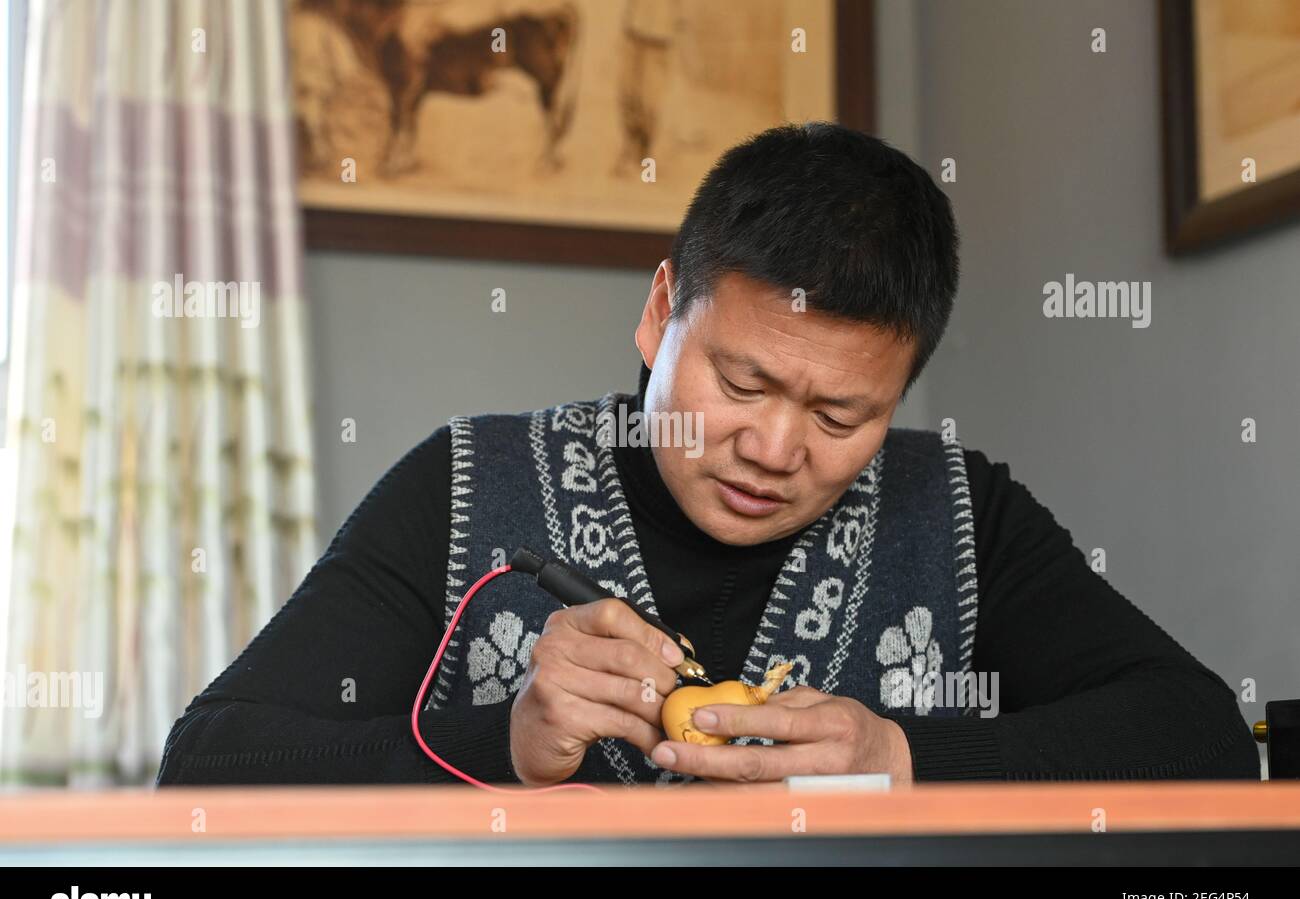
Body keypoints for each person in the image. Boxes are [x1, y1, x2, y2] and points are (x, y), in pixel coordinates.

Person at [156, 122, 1259, 788]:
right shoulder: (465, 486)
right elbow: (207, 762)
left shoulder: (959, 510)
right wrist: (510, 740)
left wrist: (901, 758)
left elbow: (1199, 732)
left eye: (841, 417)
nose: (773, 448)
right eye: (740, 383)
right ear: (658, 314)